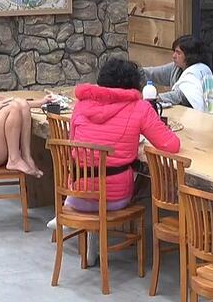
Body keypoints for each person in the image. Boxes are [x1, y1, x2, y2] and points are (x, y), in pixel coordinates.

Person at [48, 58, 180, 263]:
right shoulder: (140, 108)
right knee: (142, 177)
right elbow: (171, 145)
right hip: (115, 199)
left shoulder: (81, 106)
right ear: (134, 83)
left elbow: (75, 144)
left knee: (99, 169)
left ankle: (82, 232)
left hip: (79, 192)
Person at [143, 35, 213, 114]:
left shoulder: (198, 71)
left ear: (190, 56)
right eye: (174, 52)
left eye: (178, 53)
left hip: (194, 117)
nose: (174, 56)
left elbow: (180, 96)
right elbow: (153, 74)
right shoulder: (177, 68)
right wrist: (134, 71)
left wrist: (156, 98)